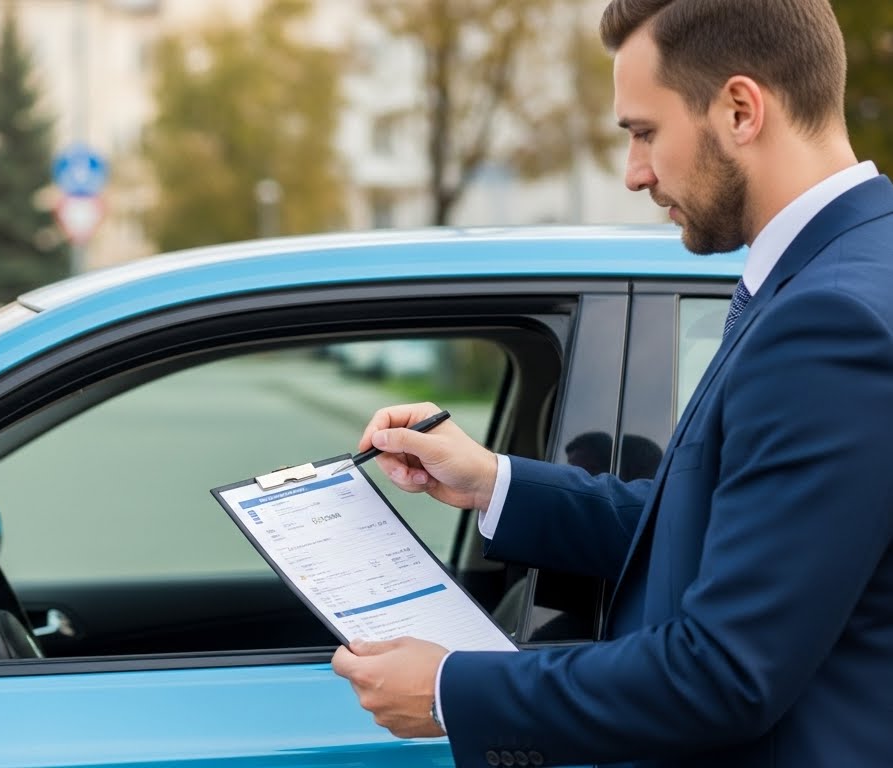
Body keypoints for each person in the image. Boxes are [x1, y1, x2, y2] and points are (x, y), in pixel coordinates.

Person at [330, 1, 893, 766]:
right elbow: (722, 531)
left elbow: (723, 675)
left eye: (643, 132)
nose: (633, 174)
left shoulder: (827, 320)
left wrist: (449, 691)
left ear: (738, 109)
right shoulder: (850, 266)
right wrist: (492, 482)